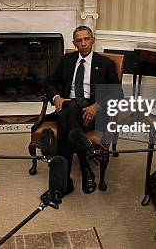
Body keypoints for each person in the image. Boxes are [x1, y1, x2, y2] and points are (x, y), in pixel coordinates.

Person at [45, 26, 122, 196]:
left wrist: (97, 106)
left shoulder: (105, 64)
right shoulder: (66, 60)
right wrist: (56, 97)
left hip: (91, 112)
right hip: (68, 106)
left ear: (92, 39)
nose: (83, 43)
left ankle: (63, 184)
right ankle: (85, 163)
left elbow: (117, 92)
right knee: (70, 107)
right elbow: (49, 83)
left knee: (67, 121)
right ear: (74, 43)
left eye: (86, 39)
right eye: (79, 40)